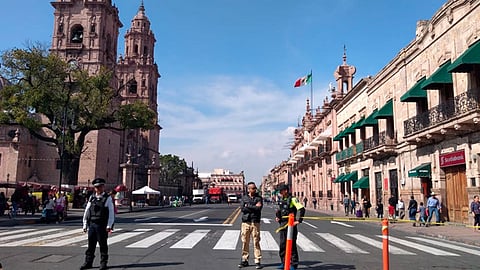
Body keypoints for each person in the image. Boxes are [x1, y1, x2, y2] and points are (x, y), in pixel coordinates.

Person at [81, 178, 115, 270]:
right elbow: (87, 211)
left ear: (103, 187)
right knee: (91, 245)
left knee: (103, 245)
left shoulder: (107, 198)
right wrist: (84, 224)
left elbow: (111, 213)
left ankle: (103, 263)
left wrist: (109, 225)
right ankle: (88, 262)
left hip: (102, 225)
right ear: (95, 188)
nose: (98, 189)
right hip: (92, 224)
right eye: (97, 187)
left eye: (100, 187)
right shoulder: (92, 198)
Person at [275, 184, 305, 270]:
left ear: (286, 191)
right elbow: (279, 210)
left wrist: (299, 221)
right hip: (282, 224)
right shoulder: (281, 199)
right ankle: (283, 262)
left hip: (290, 224)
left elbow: (301, 209)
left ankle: (293, 263)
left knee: (291, 245)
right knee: (282, 244)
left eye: (281, 191)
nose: (280, 193)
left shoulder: (293, 199)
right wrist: (278, 217)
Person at [238, 182, 263, 269]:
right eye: (253, 188)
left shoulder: (259, 198)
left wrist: (248, 206)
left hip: (255, 221)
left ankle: (258, 260)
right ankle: (245, 260)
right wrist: (253, 206)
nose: (254, 189)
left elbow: (259, 208)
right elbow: (242, 208)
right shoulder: (244, 197)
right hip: (246, 222)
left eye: (255, 188)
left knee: (256, 241)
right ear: (249, 189)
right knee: (245, 241)